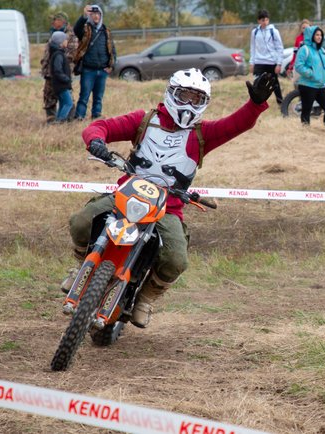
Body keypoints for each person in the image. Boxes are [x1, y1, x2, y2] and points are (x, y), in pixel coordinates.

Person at [65, 68, 277, 328]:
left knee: (177, 259)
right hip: (126, 194)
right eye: (184, 95)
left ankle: (145, 299)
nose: (189, 104)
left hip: (168, 207)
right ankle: (80, 268)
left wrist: (255, 104)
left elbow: (236, 124)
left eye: (196, 99)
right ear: (171, 92)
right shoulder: (144, 121)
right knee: (82, 221)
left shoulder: (201, 135)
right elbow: (100, 127)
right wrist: (96, 141)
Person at [72, 4, 116, 121]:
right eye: (93, 14)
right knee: (84, 96)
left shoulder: (106, 31)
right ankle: (79, 116)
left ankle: (96, 115)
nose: (95, 16)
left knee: (98, 97)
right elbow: (76, 29)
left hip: (102, 70)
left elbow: (112, 50)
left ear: (100, 15)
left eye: (97, 14)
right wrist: (83, 16)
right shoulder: (86, 29)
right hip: (88, 69)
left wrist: (111, 65)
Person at [41, 12, 78, 123]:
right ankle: (52, 119)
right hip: (50, 73)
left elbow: (70, 55)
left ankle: (67, 120)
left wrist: (63, 75)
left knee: (67, 99)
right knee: (49, 96)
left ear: (63, 21)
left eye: (56, 20)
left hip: (61, 74)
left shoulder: (69, 36)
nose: (53, 22)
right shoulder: (54, 34)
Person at [294, 25, 325, 127]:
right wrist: (311, 74)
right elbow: (298, 65)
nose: (319, 37)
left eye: (321, 35)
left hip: (320, 85)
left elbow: (324, 65)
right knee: (306, 110)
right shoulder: (304, 49)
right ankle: (305, 132)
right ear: (311, 36)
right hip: (307, 85)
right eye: (317, 35)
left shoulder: (321, 50)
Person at [249, 9, 284, 104]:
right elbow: (253, 47)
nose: (265, 22)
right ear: (258, 21)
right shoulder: (255, 32)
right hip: (259, 62)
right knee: (257, 83)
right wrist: (251, 62)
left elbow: (280, 48)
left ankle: (280, 102)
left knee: (274, 83)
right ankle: (256, 102)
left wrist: (279, 63)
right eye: (262, 20)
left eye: (266, 20)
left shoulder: (274, 31)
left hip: (271, 62)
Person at [48, 32, 73, 123]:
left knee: (63, 103)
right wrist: (66, 79)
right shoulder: (58, 55)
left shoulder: (57, 53)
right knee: (68, 103)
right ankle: (61, 120)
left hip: (59, 84)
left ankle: (58, 120)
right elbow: (57, 70)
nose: (67, 41)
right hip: (61, 84)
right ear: (60, 42)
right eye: (65, 40)